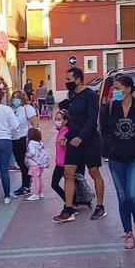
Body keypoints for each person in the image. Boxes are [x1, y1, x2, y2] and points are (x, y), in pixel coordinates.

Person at [102, 75, 135, 249]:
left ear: (129, 89)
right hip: (116, 159)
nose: (114, 92)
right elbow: (105, 131)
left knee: (132, 195)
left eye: (117, 88)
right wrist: (111, 148)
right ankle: (127, 232)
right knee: (122, 197)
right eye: (113, 89)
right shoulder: (109, 108)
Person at [54, 67, 106, 223]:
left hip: (89, 141)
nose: (67, 82)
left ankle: (100, 206)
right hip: (73, 141)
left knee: (94, 172)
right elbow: (73, 121)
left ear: (78, 79)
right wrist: (68, 137)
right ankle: (69, 208)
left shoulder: (91, 96)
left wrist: (81, 137)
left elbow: (92, 120)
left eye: (69, 79)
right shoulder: (73, 96)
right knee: (68, 174)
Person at [11, 90, 40, 197]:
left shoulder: (27, 108)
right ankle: (26, 183)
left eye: (18, 97)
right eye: (14, 98)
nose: (15, 100)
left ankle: (26, 185)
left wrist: (31, 137)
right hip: (14, 139)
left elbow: (35, 122)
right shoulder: (11, 109)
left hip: (24, 138)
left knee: (25, 163)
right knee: (20, 162)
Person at [51, 109, 70, 204]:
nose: (57, 121)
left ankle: (70, 202)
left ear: (65, 121)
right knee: (54, 184)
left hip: (65, 163)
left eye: (59, 119)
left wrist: (66, 143)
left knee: (68, 183)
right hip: (59, 163)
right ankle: (68, 200)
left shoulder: (67, 132)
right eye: (56, 119)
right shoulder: (60, 132)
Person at [24, 127, 48, 202]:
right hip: (40, 163)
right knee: (40, 178)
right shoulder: (40, 142)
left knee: (36, 179)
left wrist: (27, 155)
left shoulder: (31, 143)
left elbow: (32, 152)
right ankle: (41, 193)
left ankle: (36, 194)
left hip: (34, 164)